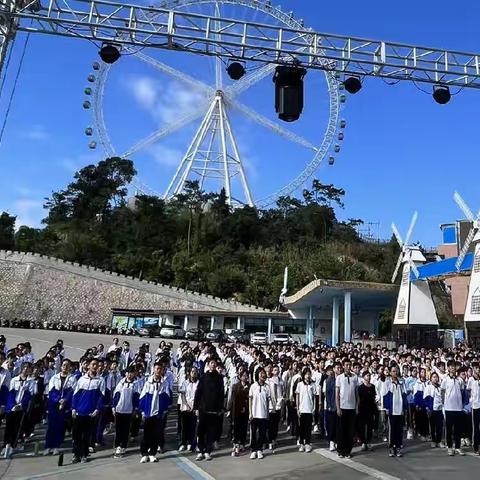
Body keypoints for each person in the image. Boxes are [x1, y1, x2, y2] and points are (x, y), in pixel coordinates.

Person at [71, 358, 106, 464]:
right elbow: (76, 395)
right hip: (79, 412)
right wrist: (73, 408)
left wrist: (97, 409)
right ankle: (76, 454)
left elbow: (102, 397)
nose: (95, 366)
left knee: (87, 435)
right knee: (76, 435)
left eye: (97, 365)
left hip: (91, 413)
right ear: (88, 366)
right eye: (93, 364)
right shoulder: (81, 379)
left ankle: (84, 454)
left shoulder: (100, 380)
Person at [139, 361, 172, 463]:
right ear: (153, 369)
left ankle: (152, 453)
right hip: (149, 413)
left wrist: (164, 410)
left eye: (160, 369)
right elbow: (142, 398)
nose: (158, 371)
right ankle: (144, 453)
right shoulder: (147, 382)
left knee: (156, 435)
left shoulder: (164, 383)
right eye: (157, 368)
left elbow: (167, 398)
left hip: (159, 414)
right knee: (146, 435)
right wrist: (143, 411)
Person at [194, 358, 225, 461]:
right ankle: (200, 450)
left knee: (211, 432)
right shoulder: (203, 377)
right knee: (201, 431)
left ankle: (208, 451)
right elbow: (198, 392)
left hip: (214, 409)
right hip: (203, 408)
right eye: (211, 363)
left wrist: (221, 407)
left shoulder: (219, 378)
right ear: (208, 364)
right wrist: (196, 407)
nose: (213, 365)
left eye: (214, 363)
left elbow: (221, 394)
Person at [3, 362, 35, 458]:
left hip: (21, 408)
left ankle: (13, 445)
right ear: (21, 368)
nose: (26, 369)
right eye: (24, 367)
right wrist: (13, 405)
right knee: (9, 426)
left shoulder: (31, 382)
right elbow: (11, 393)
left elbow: (29, 395)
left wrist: (21, 405)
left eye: (28, 368)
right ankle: (6, 444)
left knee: (17, 427)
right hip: (12, 407)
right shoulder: (14, 380)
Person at [44, 359, 76, 455]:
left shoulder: (72, 378)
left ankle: (56, 446)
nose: (65, 367)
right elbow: (51, 391)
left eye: (67, 365)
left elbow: (72, 392)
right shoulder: (54, 378)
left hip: (65, 406)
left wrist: (65, 400)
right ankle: (48, 446)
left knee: (60, 426)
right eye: (64, 365)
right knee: (51, 426)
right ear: (61, 366)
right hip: (54, 405)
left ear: (70, 367)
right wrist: (58, 400)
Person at [112, 365, 139, 458]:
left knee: (126, 429)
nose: (130, 374)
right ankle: (117, 446)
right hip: (119, 410)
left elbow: (136, 398)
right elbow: (116, 395)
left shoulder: (136, 384)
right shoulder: (121, 383)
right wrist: (113, 407)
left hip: (129, 410)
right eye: (128, 372)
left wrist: (135, 409)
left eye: (132, 372)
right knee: (118, 429)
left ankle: (123, 446)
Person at [441, 360, 466, 456]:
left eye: (454, 367)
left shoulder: (460, 380)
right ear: (448, 368)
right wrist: (444, 402)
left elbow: (462, 392)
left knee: (458, 429)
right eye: (451, 367)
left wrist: (462, 403)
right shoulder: (445, 379)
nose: (453, 369)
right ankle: (450, 447)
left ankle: (458, 447)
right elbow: (442, 391)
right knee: (449, 429)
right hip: (449, 408)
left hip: (458, 408)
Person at [335, 359, 358, 458]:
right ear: (343, 366)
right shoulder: (339, 378)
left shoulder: (355, 377)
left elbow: (357, 394)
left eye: (349, 365)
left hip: (352, 407)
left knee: (350, 430)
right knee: (342, 430)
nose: (348, 367)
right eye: (346, 365)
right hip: (343, 407)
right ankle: (340, 450)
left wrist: (357, 406)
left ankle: (348, 450)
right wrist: (338, 408)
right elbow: (337, 395)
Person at [383, 365, 407, 457]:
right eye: (393, 371)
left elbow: (404, 396)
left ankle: (398, 447)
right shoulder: (387, 383)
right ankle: (392, 447)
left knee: (399, 430)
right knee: (392, 429)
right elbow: (385, 396)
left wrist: (404, 408)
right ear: (390, 372)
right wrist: (387, 408)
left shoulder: (401, 382)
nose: (395, 373)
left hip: (400, 410)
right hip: (392, 410)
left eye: (396, 371)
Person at [249, 367, 270, 460]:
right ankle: (253, 450)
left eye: (263, 373)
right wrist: (250, 413)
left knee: (262, 433)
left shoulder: (267, 387)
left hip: (263, 414)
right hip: (254, 413)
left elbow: (268, 401)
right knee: (254, 433)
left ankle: (259, 450)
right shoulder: (253, 386)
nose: (263, 375)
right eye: (261, 373)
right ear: (257, 375)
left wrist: (268, 413)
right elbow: (250, 400)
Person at [178, 366, 199, 452]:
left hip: (194, 408)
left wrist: (195, 407)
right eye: (192, 371)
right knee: (184, 426)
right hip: (185, 408)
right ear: (189, 373)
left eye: (195, 372)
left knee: (192, 426)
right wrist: (187, 405)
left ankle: (191, 443)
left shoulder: (199, 383)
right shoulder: (185, 383)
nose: (194, 373)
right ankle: (183, 443)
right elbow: (183, 395)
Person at [295, 368, 316, 453]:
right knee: (301, 428)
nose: (308, 376)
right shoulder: (300, 384)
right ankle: (301, 444)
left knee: (308, 428)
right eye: (306, 374)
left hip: (310, 409)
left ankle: (307, 443)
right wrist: (297, 408)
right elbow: (297, 396)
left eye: (309, 374)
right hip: (302, 409)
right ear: (303, 375)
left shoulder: (313, 385)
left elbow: (314, 397)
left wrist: (314, 407)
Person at [229, 369, 249, 457]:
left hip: (246, 411)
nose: (245, 377)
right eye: (243, 375)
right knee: (236, 428)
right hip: (237, 411)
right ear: (240, 377)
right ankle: (236, 444)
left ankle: (242, 443)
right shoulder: (235, 386)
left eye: (246, 375)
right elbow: (233, 400)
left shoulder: (250, 386)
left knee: (244, 428)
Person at [357, 370, 376, 451]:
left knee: (369, 426)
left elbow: (374, 398)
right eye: (367, 375)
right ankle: (363, 442)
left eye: (369, 375)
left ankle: (368, 442)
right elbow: (358, 399)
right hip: (362, 409)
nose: (369, 377)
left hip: (370, 409)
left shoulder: (373, 387)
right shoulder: (360, 387)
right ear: (363, 377)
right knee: (361, 427)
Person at [266, 364, 283, 453]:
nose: (277, 371)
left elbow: (281, 393)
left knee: (276, 423)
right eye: (275, 370)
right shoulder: (269, 381)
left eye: (278, 370)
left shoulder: (280, 381)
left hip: (278, 405)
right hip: (270, 406)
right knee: (270, 424)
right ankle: (270, 440)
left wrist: (279, 403)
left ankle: (274, 438)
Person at [424, 371, 444, 448]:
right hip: (432, 409)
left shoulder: (440, 387)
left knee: (440, 426)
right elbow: (426, 399)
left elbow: (442, 397)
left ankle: (439, 441)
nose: (435, 379)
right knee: (432, 426)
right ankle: (433, 440)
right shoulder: (428, 387)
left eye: (436, 377)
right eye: (434, 377)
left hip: (440, 409)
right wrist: (428, 408)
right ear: (431, 378)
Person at [323, 364, 338, 452]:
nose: (331, 372)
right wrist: (329, 405)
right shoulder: (326, 381)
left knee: (336, 424)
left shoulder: (337, 380)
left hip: (337, 406)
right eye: (329, 371)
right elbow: (326, 394)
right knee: (330, 425)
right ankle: (331, 441)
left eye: (332, 370)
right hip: (329, 406)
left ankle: (336, 440)